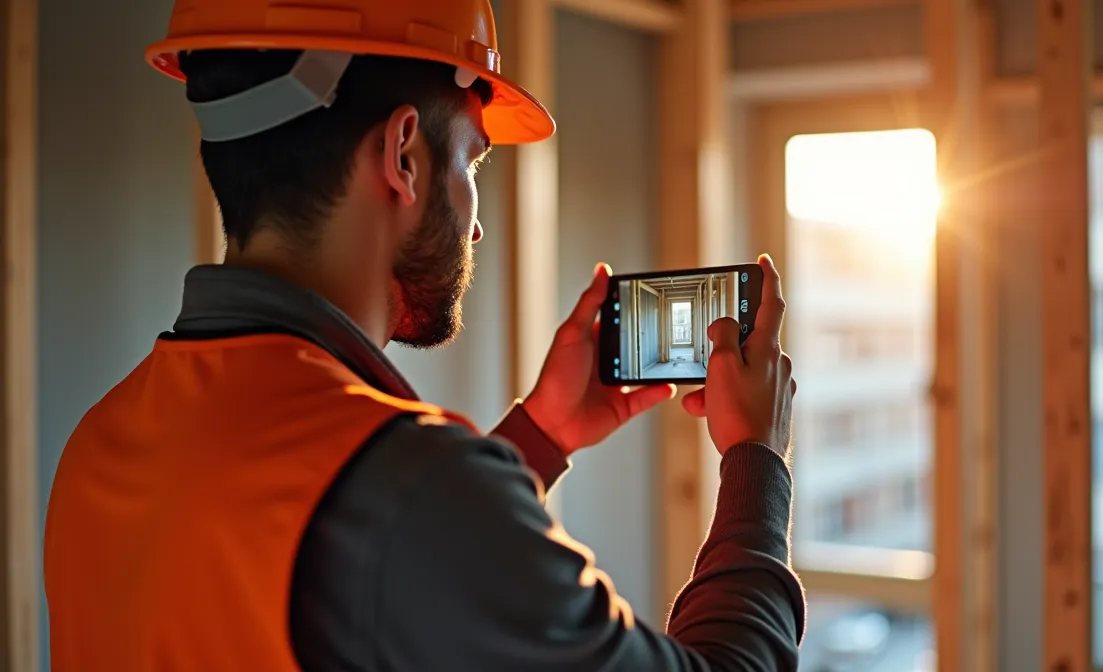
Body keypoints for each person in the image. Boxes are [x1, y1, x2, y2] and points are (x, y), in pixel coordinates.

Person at [43, 1, 804, 670]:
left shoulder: (100, 443)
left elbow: (363, 589)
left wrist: (540, 435)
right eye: (472, 160)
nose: (474, 223)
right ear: (404, 154)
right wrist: (755, 458)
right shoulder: (413, 486)